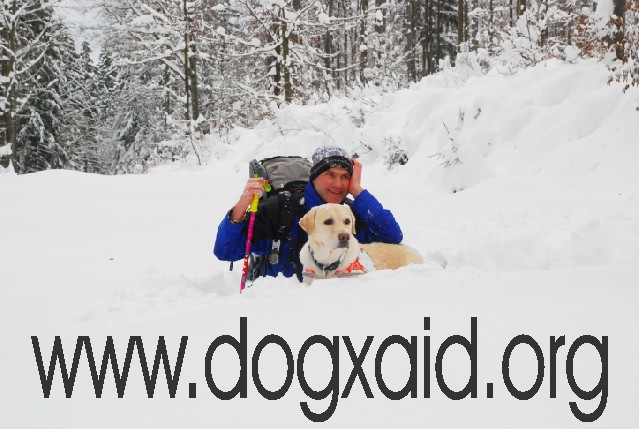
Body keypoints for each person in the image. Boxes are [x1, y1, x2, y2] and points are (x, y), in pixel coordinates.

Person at [213, 146, 403, 281]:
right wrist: (242, 205)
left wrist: (358, 192)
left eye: (345, 177)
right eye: (330, 175)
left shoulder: (349, 214)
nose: (338, 184)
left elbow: (392, 236)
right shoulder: (281, 209)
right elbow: (226, 251)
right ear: (313, 177)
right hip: (277, 306)